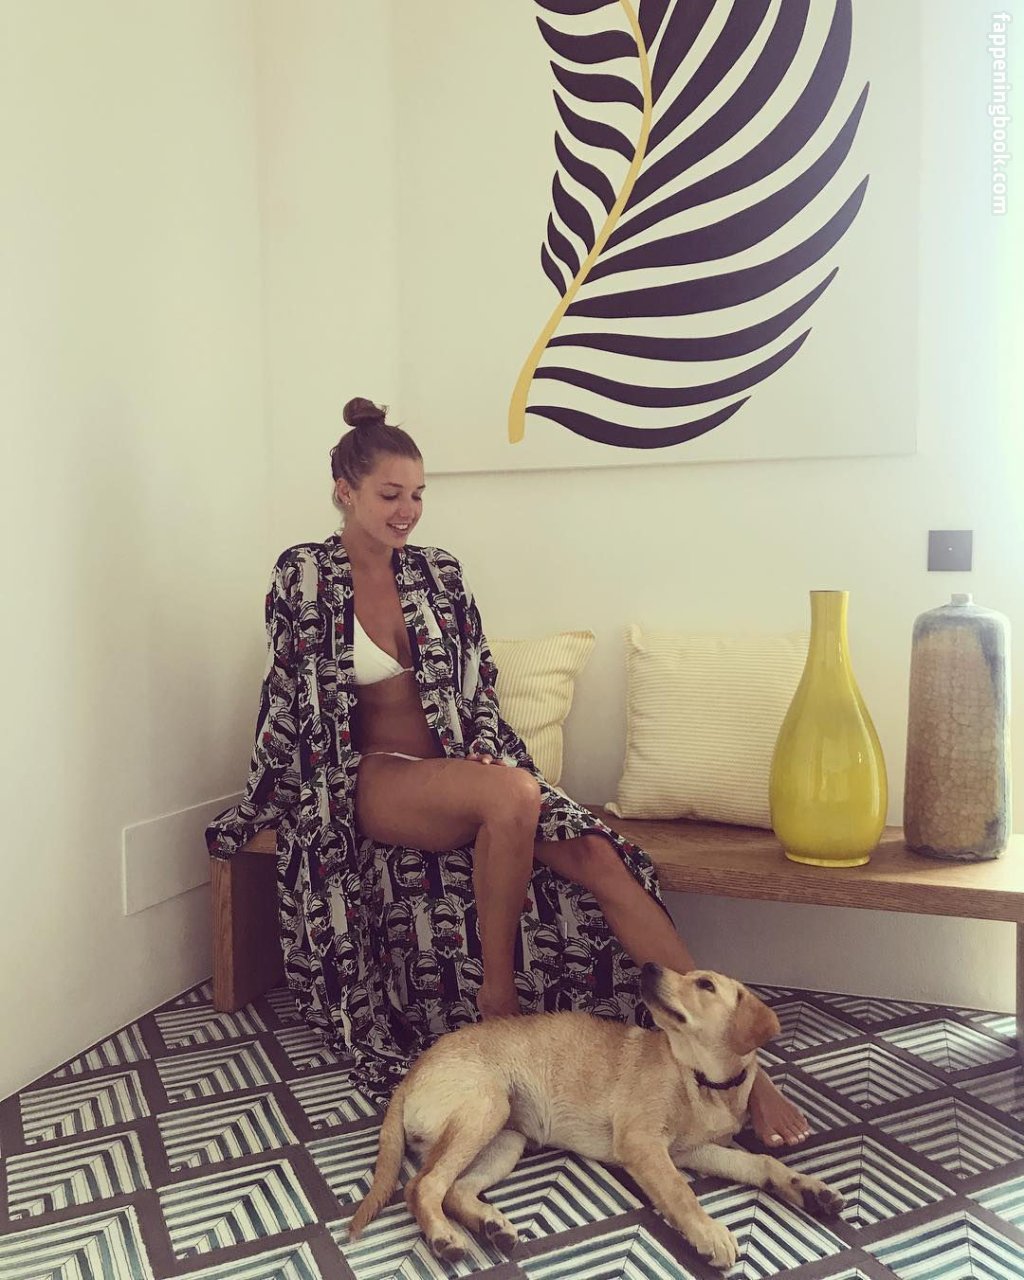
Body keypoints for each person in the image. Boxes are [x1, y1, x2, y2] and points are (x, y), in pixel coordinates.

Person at [206, 397, 808, 1146]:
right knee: (513, 795)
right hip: (365, 774)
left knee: (599, 855)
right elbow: (294, 694)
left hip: (458, 765)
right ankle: (499, 1000)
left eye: (418, 494)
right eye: (390, 494)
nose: (407, 511)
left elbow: (476, 681)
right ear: (345, 490)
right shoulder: (303, 575)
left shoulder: (439, 573)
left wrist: (485, 743)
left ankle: (746, 1073)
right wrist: (279, 799)